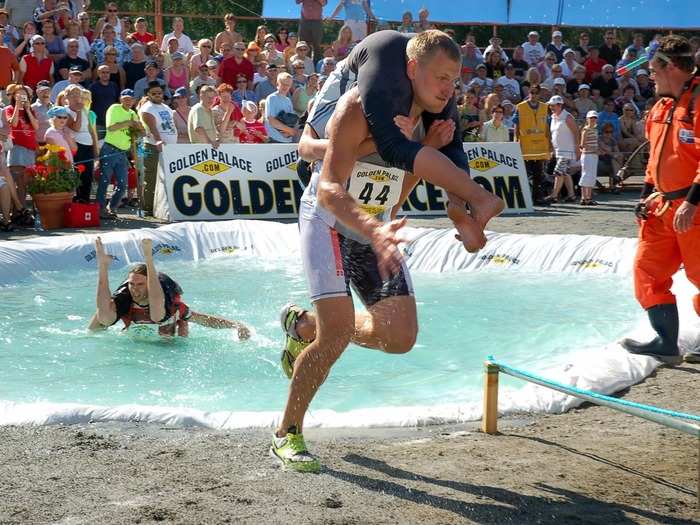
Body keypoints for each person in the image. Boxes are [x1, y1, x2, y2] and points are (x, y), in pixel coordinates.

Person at [269, 30, 503, 472]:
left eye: (453, 81)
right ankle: (287, 433)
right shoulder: (358, 105)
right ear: (411, 70)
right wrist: (373, 221)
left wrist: (451, 202)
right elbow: (328, 189)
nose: (447, 90)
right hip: (332, 221)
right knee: (336, 338)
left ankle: (307, 326)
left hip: (376, 225)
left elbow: (398, 187)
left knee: (400, 337)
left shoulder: (433, 121)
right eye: (439, 78)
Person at [619, 36, 700, 364]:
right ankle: (666, 342)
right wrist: (644, 199)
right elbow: (655, 160)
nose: (649, 76)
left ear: (670, 67)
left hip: (693, 209)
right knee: (646, 270)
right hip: (662, 208)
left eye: (653, 69)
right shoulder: (661, 107)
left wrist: (692, 202)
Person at [89, 237, 250, 339]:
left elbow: (204, 320)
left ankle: (149, 260)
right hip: (136, 357)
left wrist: (235, 325)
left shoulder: (175, 308)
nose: (134, 289)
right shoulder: (122, 305)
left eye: (140, 285)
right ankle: (102, 267)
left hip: (165, 352)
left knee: (158, 315)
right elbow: (92, 331)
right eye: (131, 284)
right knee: (104, 317)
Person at [96, 89, 143, 219]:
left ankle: (111, 207)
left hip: (123, 152)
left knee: (123, 184)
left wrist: (138, 127)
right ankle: (100, 209)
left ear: (134, 101)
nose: (128, 101)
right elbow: (111, 127)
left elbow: (141, 132)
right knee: (104, 181)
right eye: (125, 99)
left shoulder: (133, 113)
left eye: (131, 99)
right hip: (110, 149)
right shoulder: (114, 108)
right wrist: (129, 123)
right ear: (120, 99)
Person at [139, 81, 177, 216]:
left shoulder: (166, 108)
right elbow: (152, 127)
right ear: (148, 95)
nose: (157, 95)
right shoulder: (147, 108)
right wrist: (158, 140)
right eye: (153, 93)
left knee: (166, 177)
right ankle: (147, 208)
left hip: (169, 147)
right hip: (152, 146)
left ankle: (163, 206)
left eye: (159, 93)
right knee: (150, 177)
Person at [514, 85, 552, 205]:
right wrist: (516, 141)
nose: (534, 95)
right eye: (532, 92)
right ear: (529, 93)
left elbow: (548, 126)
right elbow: (516, 125)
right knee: (524, 174)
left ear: (539, 94)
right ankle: (525, 199)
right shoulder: (521, 107)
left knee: (538, 174)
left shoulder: (545, 107)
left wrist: (550, 143)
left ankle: (537, 198)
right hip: (525, 146)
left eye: (536, 93)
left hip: (541, 145)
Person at [5, 83, 38, 206]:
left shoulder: (30, 110)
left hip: (30, 149)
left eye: (25, 95)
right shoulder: (9, 109)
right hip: (17, 148)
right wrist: (17, 106)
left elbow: (36, 126)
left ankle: (24, 211)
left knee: (27, 182)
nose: (23, 97)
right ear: (14, 96)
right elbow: (13, 124)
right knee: (18, 181)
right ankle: (18, 211)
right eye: (19, 95)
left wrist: (28, 110)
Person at [66, 85, 98, 202]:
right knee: (77, 175)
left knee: (87, 176)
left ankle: (85, 201)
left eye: (78, 95)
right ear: (67, 97)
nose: (76, 97)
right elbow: (76, 128)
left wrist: (95, 149)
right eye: (73, 94)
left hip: (87, 145)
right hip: (75, 145)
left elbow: (91, 130)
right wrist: (79, 111)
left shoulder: (85, 110)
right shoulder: (65, 111)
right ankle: (75, 201)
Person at [545, 94, 579, 203]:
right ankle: (571, 195)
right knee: (564, 173)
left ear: (560, 105)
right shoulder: (553, 117)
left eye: (553, 105)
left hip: (567, 150)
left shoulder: (567, 117)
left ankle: (554, 195)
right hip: (559, 150)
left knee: (558, 172)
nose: (551, 107)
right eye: (551, 106)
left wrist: (577, 148)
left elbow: (576, 133)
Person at [264, 72, 297, 143]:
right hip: (274, 139)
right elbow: (271, 120)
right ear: (277, 84)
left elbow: (291, 122)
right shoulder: (272, 98)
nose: (285, 87)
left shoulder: (288, 101)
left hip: (287, 140)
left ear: (290, 86)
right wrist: (290, 131)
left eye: (288, 85)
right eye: (283, 84)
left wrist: (289, 132)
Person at [579, 110, 599, 206]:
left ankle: (588, 197)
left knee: (591, 176)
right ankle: (584, 197)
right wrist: (594, 149)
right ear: (587, 119)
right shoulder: (585, 130)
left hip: (593, 155)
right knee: (586, 175)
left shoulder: (595, 130)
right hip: (587, 155)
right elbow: (582, 144)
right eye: (591, 118)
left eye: (595, 118)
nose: (593, 119)